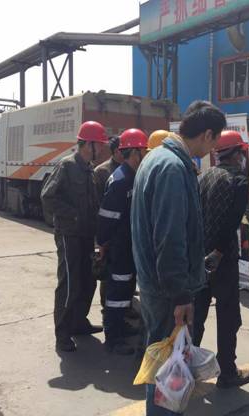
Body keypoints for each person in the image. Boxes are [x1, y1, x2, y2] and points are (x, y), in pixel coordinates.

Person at [131, 101, 226, 416]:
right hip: (167, 291)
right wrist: (181, 295)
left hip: (156, 284)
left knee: (162, 360)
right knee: (169, 368)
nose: (213, 148)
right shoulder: (172, 168)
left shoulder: (156, 157)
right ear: (207, 134)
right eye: (215, 141)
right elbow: (170, 238)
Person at [192, 130, 249, 389]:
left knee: (196, 315)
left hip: (199, 257)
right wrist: (218, 252)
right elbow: (232, 222)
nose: (242, 158)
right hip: (222, 259)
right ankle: (227, 371)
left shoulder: (204, 176)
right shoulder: (238, 180)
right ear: (236, 153)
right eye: (242, 153)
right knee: (228, 317)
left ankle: (186, 367)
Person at [41, 121, 108, 352]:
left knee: (88, 280)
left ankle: (79, 322)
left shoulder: (88, 169)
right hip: (69, 235)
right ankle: (62, 334)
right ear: (88, 144)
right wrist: (74, 215)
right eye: (99, 144)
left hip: (86, 235)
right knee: (69, 284)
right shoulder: (67, 166)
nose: (101, 148)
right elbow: (48, 197)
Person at [97, 129, 148, 355]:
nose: (145, 155)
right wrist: (103, 243)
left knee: (126, 289)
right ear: (135, 152)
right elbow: (107, 217)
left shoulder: (131, 175)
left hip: (129, 245)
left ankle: (120, 326)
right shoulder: (121, 180)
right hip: (120, 247)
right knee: (117, 292)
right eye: (144, 151)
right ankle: (113, 336)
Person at [94, 136, 124, 310]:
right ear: (116, 151)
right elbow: (98, 205)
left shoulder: (130, 169)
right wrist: (101, 239)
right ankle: (106, 305)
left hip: (123, 231)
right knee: (107, 269)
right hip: (108, 230)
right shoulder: (102, 172)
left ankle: (123, 304)